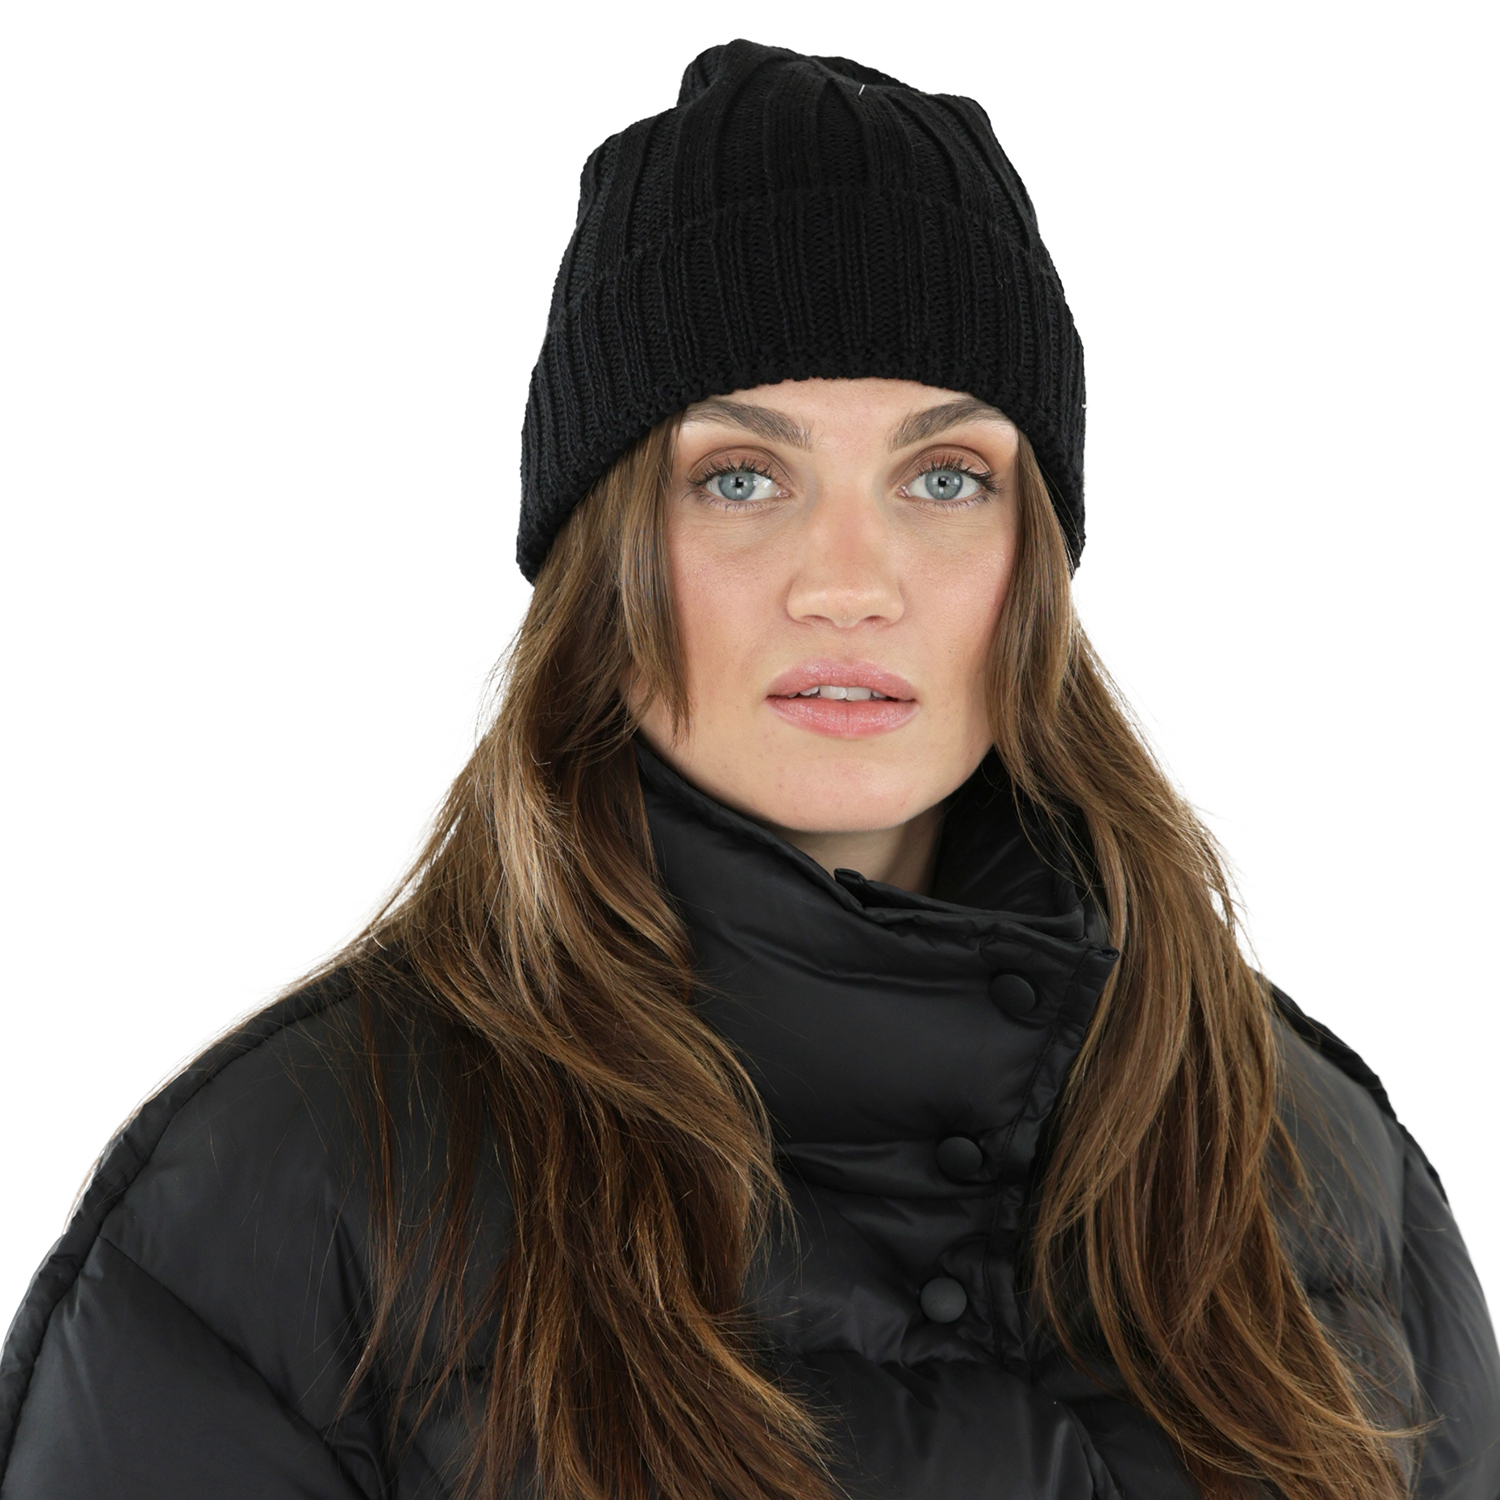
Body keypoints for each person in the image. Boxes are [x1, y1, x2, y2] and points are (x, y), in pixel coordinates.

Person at [1, 35, 1495, 1500]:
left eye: (945, 477)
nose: (849, 581)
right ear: (603, 560)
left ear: (1032, 561)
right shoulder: (286, 1202)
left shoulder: (1309, 1159)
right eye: (740, 477)